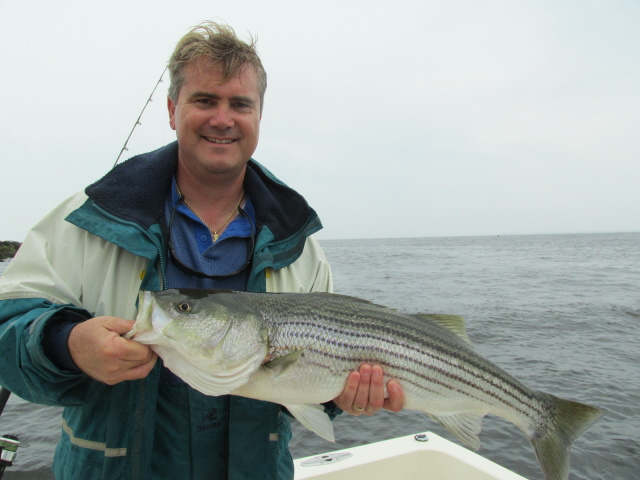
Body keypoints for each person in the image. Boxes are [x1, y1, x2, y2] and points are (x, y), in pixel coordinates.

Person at [0, 22, 404, 479]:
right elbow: (6, 324)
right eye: (204, 100)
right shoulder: (88, 219)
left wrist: (339, 396)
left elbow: (306, 392)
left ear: (258, 118)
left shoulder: (299, 247)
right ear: (173, 110)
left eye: (240, 104)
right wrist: (66, 344)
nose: (222, 119)